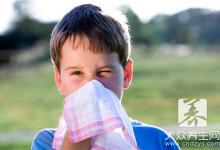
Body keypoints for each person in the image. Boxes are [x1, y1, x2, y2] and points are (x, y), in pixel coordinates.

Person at [31, 4, 180, 150]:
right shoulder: (47, 142)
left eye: (103, 72)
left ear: (126, 74)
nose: (92, 87)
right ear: (59, 80)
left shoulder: (158, 141)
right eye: (77, 73)